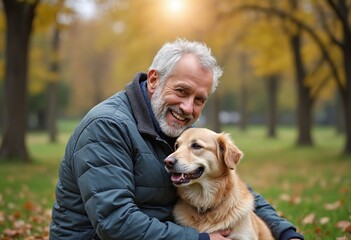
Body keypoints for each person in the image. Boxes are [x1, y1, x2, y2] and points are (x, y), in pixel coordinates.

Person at [49, 39, 304, 240]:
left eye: (199, 100)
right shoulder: (107, 127)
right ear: (153, 80)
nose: (188, 108)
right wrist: (200, 238)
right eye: (181, 91)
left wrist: (284, 232)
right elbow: (115, 222)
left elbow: (235, 191)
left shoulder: (173, 129)